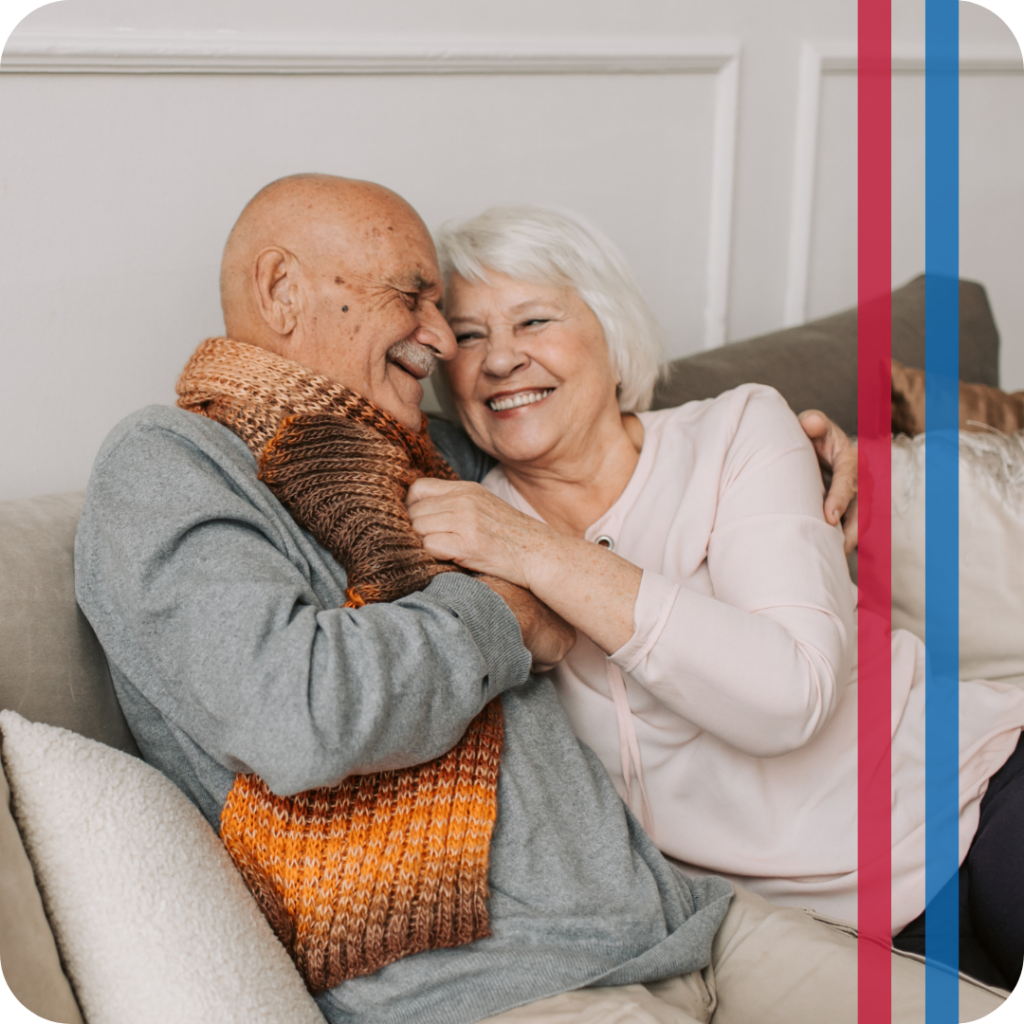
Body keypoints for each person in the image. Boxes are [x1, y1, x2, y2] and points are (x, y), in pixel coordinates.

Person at [75, 175, 1003, 1024]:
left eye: (455, 314)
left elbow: (602, 431)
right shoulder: (172, 464)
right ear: (282, 291)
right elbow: (296, 714)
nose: (447, 345)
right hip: (500, 983)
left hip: (693, 921)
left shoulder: (435, 458)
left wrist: (834, 454)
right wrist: (509, 617)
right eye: (422, 302)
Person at [406, 203, 1024, 991]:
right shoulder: (464, 529)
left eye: (534, 320)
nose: (500, 360)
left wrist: (538, 553)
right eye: (467, 335)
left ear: (611, 330)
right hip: (823, 938)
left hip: (974, 797)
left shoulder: (738, 431)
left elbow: (787, 697)